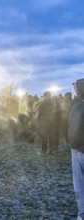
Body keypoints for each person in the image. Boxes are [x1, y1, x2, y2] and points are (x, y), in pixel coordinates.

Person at [68, 78, 84, 220]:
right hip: (78, 147)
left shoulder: (77, 107)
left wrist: (73, 145)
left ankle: (82, 213)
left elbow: (73, 128)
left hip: (78, 149)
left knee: (79, 183)